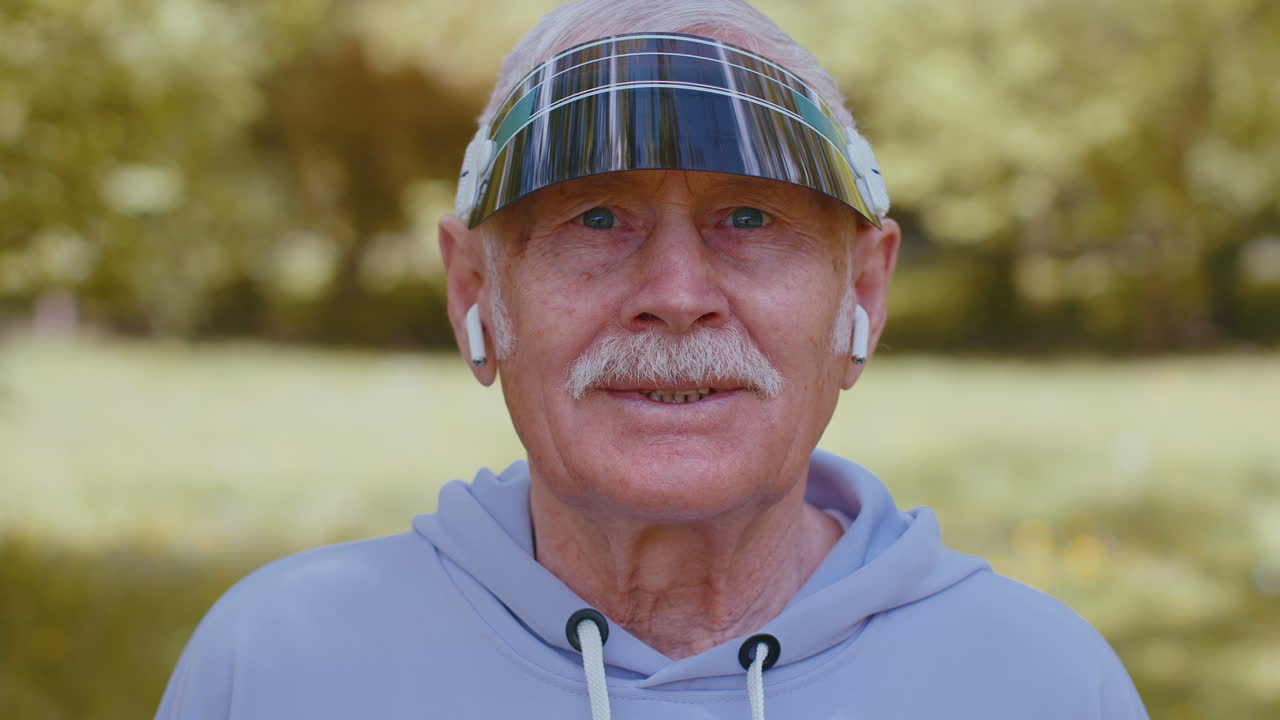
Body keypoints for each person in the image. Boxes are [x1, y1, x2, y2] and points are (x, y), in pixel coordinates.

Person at [156, 1, 1149, 718]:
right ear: (474, 292)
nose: (676, 293)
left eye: (749, 217)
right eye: (596, 217)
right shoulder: (279, 667)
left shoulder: (1044, 685)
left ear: (862, 293)